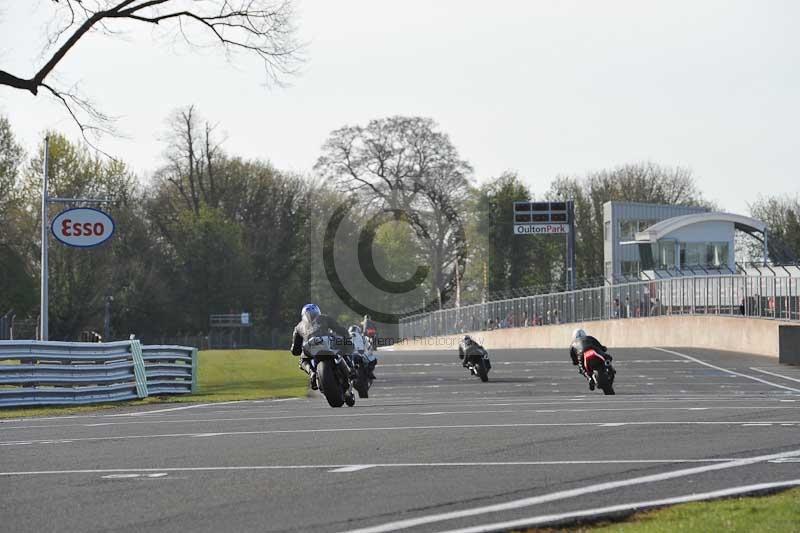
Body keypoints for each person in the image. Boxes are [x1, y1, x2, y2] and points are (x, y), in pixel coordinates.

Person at [290, 304, 352, 390]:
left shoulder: (298, 327)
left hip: (310, 346)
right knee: (342, 346)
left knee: (302, 360)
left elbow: (295, 350)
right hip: (326, 341)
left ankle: (312, 373)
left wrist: (297, 350)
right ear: (318, 313)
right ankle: (349, 367)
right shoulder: (324, 318)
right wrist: (346, 336)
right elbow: (339, 329)